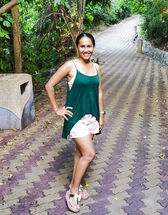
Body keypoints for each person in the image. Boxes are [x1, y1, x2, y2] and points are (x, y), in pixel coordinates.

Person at [45, 32, 104, 213]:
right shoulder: (70, 66)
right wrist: (57, 109)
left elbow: (99, 91)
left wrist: (101, 115)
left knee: (80, 152)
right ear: (77, 47)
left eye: (89, 46)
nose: (86, 50)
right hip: (76, 117)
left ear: (93, 47)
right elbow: (49, 85)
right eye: (82, 46)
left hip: (92, 116)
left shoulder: (96, 67)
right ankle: (73, 192)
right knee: (89, 154)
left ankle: (74, 183)